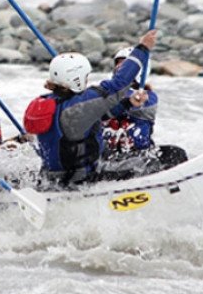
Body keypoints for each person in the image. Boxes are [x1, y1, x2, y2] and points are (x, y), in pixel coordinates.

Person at [23, 29, 164, 187]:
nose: (86, 80)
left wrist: (127, 103)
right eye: (85, 76)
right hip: (80, 182)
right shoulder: (79, 104)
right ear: (75, 78)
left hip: (51, 180)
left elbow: (94, 115)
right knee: (160, 161)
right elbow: (118, 84)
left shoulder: (46, 102)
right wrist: (142, 48)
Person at [102, 47, 188, 169]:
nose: (119, 67)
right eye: (118, 63)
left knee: (175, 153)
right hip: (108, 157)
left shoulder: (149, 98)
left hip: (137, 156)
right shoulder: (105, 92)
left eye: (125, 64)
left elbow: (131, 103)